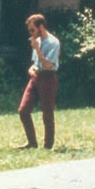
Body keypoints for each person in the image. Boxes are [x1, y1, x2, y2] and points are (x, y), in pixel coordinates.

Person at [16, 13, 60, 150]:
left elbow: (47, 65)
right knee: (23, 110)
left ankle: (48, 145)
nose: (30, 33)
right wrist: (31, 70)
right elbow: (35, 63)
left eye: (32, 30)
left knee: (47, 113)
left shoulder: (53, 42)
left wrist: (37, 48)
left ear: (41, 27)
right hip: (36, 78)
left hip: (48, 77)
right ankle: (32, 142)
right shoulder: (38, 41)